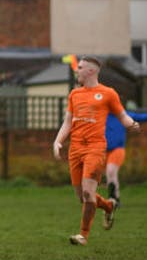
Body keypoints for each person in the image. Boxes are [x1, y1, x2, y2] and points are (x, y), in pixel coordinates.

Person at [52, 56, 140, 245]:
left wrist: (132, 124)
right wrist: (58, 141)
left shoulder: (108, 93)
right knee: (81, 197)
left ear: (91, 71)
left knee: (87, 194)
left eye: (80, 67)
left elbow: (122, 116)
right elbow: (68, 122)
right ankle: (109, 206)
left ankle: (83, 235)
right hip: (75, 148)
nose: (77, 71)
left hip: (95, 147)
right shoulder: (74, 95)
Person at [104, 103, 147, 215]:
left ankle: (114, 199)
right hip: (104, 151)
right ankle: (115, 198)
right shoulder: (102, 115)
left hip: (118, 149)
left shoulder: (122, 115)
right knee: (110, 175)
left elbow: (140, 117)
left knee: (111, 171)